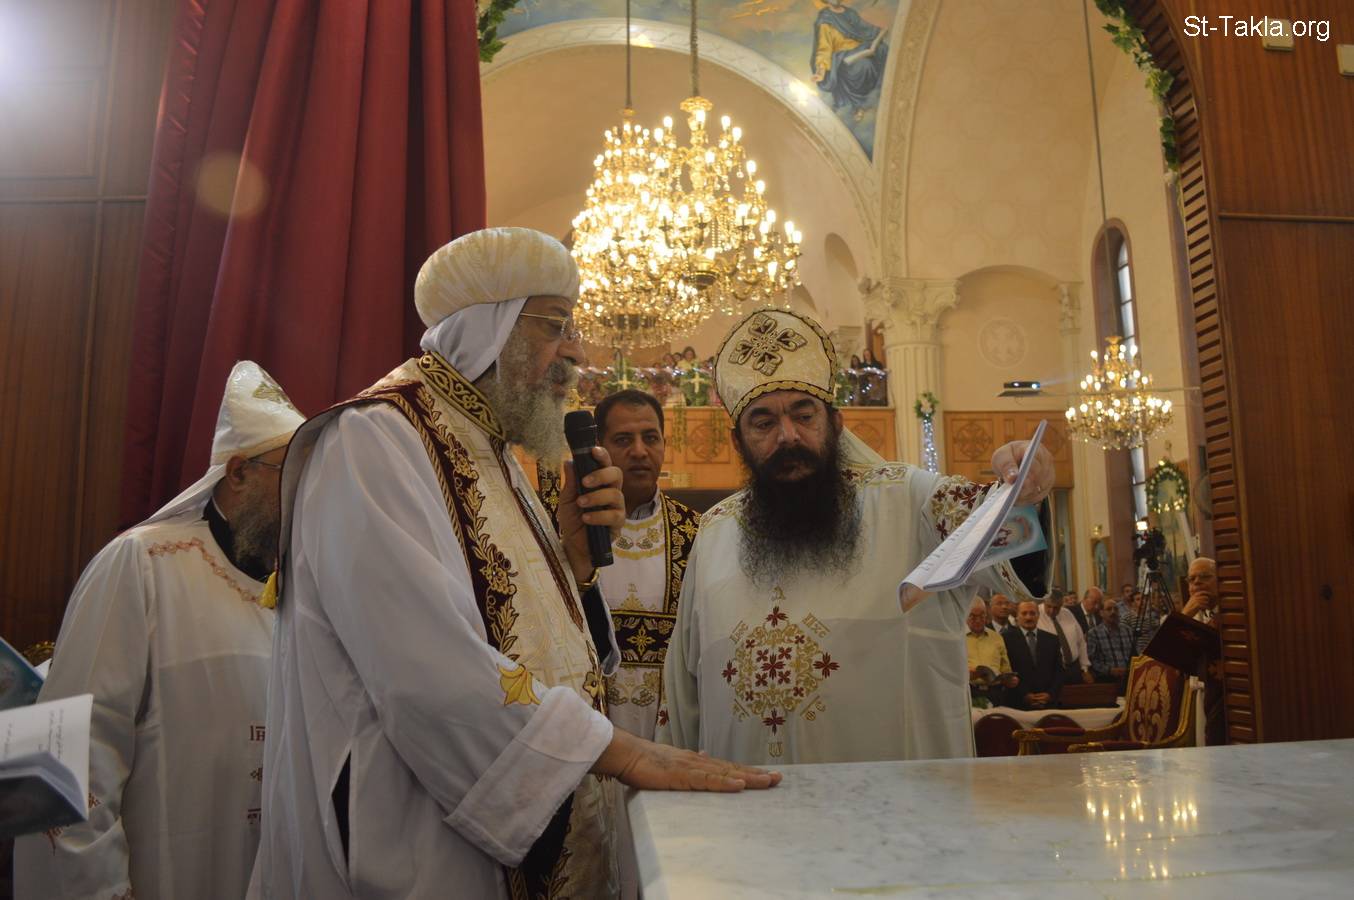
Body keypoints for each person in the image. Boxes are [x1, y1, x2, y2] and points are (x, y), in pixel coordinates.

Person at [254, 228, 776, 900]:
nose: (578, 352)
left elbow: (522, 630)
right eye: (556, 326)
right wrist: (622, 751)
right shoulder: (372, 441)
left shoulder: (492, 448)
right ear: (487, 328)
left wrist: (575, 567)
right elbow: (425, 669)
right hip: (421, 837)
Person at [657, 307, 1053, 764]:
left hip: (897, 804)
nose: (788, 436)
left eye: (804, 415)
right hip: (745, 803)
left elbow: (1007, 541)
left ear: (836, 424)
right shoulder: (713, 532)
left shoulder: (910, 499)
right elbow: (683, 690)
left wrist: (1026, 491)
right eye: (763, 423)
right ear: (737, 442)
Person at [15, 362, 303, 900]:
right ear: (237, 472)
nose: (302, 496)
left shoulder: (297, 594)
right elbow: (63, 755)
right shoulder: (141, 564)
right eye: (288, 475)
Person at [590, 388, 701, 898]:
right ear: (599, 447)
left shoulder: (697, 532)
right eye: (623, 439)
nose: (639, 451)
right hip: (593, 736)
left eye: (650, 437)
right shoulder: (566, 527)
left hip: (668, 736)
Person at [1003, 600, 1066, 710]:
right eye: (1024, 613)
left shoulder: (1052, 639)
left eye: (1032, 613)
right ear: (1017, 616)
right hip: (1018, 703)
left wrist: (1049, 694)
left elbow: (1059, 671)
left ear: (1038, 615)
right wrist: (1024, 695)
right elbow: (1007, 671)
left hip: (1047, 703)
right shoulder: (1005, 639)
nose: (1028, 617)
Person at [965, 597, 1016, 707]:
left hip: (995, 693)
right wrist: (967, 674)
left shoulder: (997, 637)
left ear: (987, 615)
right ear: (965, 615)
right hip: (968, 692)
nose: (978, 620)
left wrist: (1010, 679)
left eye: (982, 616)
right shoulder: (958, 638)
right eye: (973, 616)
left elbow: (1005, 668)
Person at [1037, 588, 1091, 681]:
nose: (1052, 611)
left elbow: (1081, 641)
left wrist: (1085, 668)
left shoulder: (1067, 613)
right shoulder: (1036, 613)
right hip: (1051, 670)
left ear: (1061, 604)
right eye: (1048, 606)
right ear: (1044, 602)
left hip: (1074, 667)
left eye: (1056, 608)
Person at [1086, 600, 1136, 689]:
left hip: (1128, 678)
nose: (1113, 612)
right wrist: (1110, 670)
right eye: (1109, 609)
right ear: (1101, 613)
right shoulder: (1093, 633)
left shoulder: (1128, 630)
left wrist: (1129, 669)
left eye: (1116, 609)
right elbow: (1092, 661)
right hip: (1106, 679)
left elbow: (1134, 655)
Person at [1181, 556, 1219, 624]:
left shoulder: (1235, 612)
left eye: (1205, 576)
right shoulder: (1192, 614)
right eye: (1192, 579)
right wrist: (1185, 615)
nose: (1196, 582)